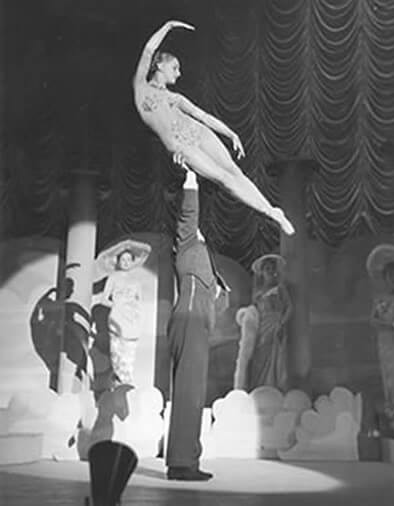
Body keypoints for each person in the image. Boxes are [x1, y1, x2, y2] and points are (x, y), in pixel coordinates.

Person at [133, 20, 295, 236]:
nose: (179, 73)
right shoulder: (140, 88)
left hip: (198, 132)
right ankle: (268, 212)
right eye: (175, 67)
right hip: (181, 145)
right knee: (223, 178)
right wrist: (168, 27)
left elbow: (204, 117)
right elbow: (148, 50)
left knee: (234, 171)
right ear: (160, 66)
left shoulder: (176, 98)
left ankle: (273, 211)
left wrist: (230, 133)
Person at [166, 168, 230, 481]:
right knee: (189, 393)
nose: (201, 235)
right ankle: (181, 464)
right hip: (189, 322)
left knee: (192, 394)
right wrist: (190, 178)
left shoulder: (204, 263)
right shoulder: (188, 246)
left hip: (196, 326)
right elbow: (188, 215)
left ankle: (185, 460)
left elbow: (219, 299)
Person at [233, 254, 292, 392]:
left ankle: (273, 387)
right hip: (262, 327)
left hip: (276, 324)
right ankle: (259, 387)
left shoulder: (280, 289)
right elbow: (254, 311)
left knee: (275, 357)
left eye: (272, 269)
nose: (270, 272)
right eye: (267, 269)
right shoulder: (258, 293)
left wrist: (282, 323)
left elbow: (290, 308)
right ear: (262, 273)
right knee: (259, 355)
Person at [100, 241, 151, 387]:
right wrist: (117, 306)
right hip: (117, 320)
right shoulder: (113, 278)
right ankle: (119, 386)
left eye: (129, 260)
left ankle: (127, 387)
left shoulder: (136, 282)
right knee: (117, 356)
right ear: (118, 261)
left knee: (129, 357)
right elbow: (104, 300)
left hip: (131, 322)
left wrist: (136, 315)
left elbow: (139, 303)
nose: (126, 262)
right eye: (123, 259)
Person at [367, 245, 394, 418]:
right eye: (390, 277)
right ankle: (391, 408)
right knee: (390, 374)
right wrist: (386, 324)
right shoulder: (381, 300)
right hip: (387, 342)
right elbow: (373, 320)